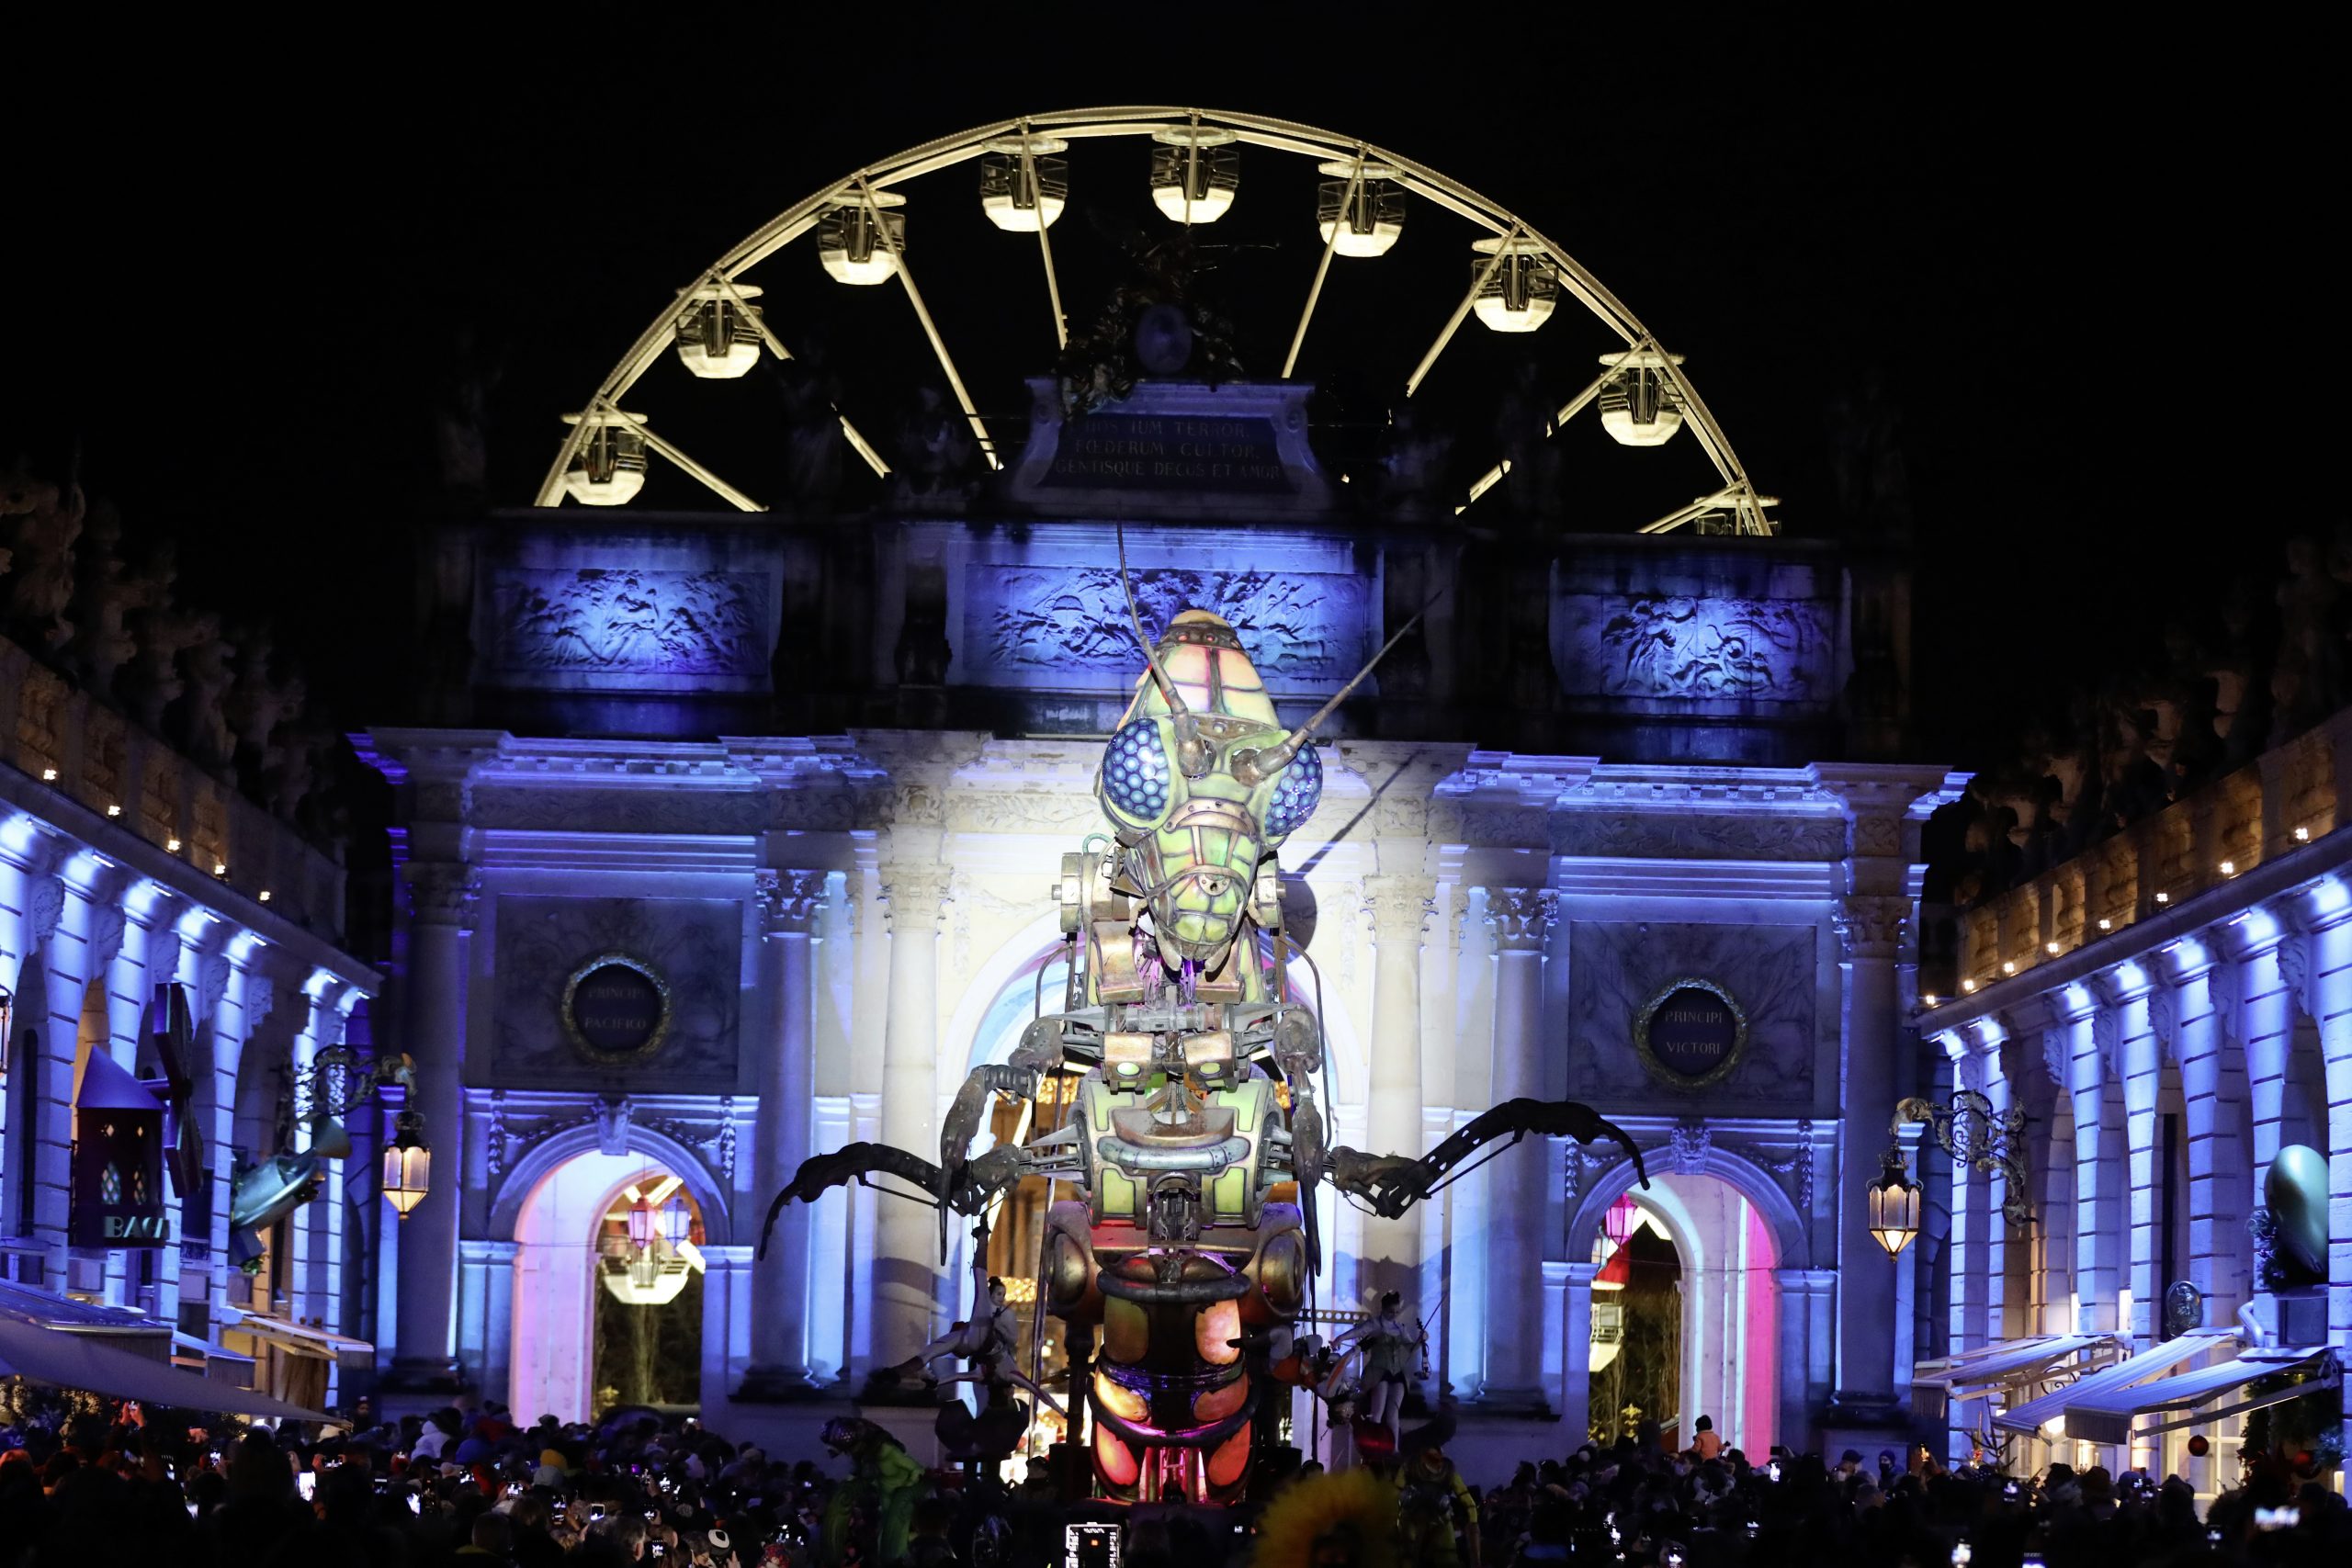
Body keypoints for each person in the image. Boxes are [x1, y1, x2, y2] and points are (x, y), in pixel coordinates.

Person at [1329, 1292, 1425, 1447]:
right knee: (1377, 1412)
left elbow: (1410, 1347)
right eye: (1390, 1312)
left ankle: (1394, 1448)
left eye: (1396, 1312)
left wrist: (1420, 1341)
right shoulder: (1375, 1324)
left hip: (1397, 1373)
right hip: (1379, 1372)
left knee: (1393, 1413)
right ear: (1383, 1309)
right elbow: (1357, 1331)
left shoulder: (1400, 1328)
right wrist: (1340, 1339)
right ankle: (1374, 1445)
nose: (1394, 1315)